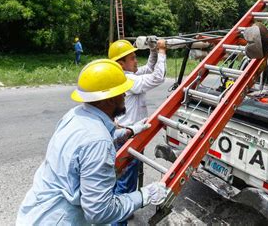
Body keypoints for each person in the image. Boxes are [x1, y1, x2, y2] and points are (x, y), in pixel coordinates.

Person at [16, 59, 168, 225]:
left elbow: (80, 147)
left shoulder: (74, 115)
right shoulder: (98, 141)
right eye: (121, 92)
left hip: (36, 213)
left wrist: (127, 132)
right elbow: (100, 212)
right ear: (109, 99)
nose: (125, 95)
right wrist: (145, 195)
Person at [108, 38, 167, 200]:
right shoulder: (129, 80)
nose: (136, 61)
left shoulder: (122, 75)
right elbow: (157, 77)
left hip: (123, 132)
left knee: (119, 177)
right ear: (121, 64)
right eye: (132, 58)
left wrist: (153, 51)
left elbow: (148, 68)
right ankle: (119, 215)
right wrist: (162, 51)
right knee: (125, 184)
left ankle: (116, 209)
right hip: (129, 135)